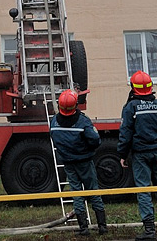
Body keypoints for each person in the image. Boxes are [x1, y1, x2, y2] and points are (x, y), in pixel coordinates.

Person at [117, 70, 157, 241]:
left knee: (144, 190)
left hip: (140, 155)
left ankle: (149, 230)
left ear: (133, 87)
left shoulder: (131, 107)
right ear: (150, 86)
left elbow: (125, 133)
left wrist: (122, 154)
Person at [49, 89, 108, 236]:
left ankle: (83, 228)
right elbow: (95, 140)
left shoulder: (54, 122)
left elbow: (55, 139)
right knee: (93, 191)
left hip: (68, 163)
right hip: (85, 162)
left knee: (76, 193)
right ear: (75, 105)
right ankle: (102, 226)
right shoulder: (82, 121)